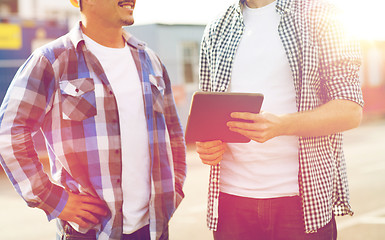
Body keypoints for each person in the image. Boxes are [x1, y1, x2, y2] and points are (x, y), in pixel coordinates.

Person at [0, 0, 186, 239]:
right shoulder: (52, 60)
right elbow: (9, 132)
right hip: (90, 231)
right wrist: (53, 199)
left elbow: (174, 132)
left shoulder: (151, 61)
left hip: (154, 229)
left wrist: (176, 188)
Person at [196, 0, 363, 239]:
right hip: (231, 203)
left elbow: (350, 110)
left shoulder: (323, 15)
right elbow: (209, 115)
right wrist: (208, 146)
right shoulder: (217, 27)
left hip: (301, 204)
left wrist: (282, 125)